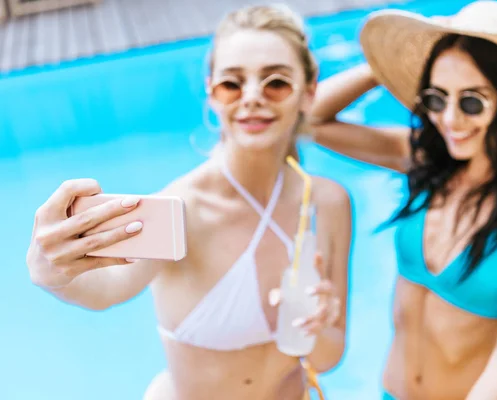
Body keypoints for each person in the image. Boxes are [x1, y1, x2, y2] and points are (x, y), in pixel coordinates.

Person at [25, 4, 351, 400]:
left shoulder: (327, 203)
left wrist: (321, 323)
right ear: (212, 92)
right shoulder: (182, 208)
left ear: (309, 90)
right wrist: (50, 272)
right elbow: (106, 290)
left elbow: (327, 356)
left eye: (276, 82)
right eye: (232, 84)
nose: (252, 98)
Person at [309, 1, 497, 399]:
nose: (449, 119)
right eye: (436, 98)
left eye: (471, 102)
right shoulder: (422, 161)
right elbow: (307, 120)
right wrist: (384, 67)